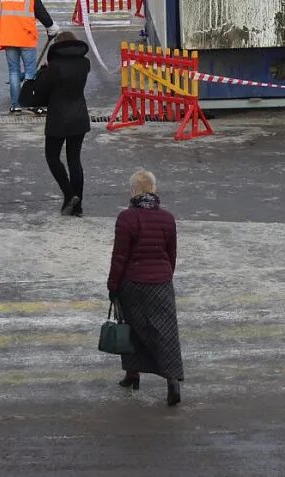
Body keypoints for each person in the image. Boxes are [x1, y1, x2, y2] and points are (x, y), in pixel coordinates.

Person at [107, 170, 183, 406]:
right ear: (154, 190)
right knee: (166, 334)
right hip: (160, 284)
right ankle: (172, 382)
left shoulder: (127, 218)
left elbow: (120, 257)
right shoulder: (167, 218)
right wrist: (165, 275)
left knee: (131, 328)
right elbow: (171, 254)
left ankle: (132, 374)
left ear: (133, 191)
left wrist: (113, 285)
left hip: (133, 282)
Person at [25, 32, 91, 216]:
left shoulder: (53, 68)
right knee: (75, 160)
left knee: (52, 157)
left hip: (58, 119)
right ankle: (78, 207)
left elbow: (38, 95)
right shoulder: (85, 64)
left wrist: (42, 74)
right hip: (79, 117)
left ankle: (69, 195)